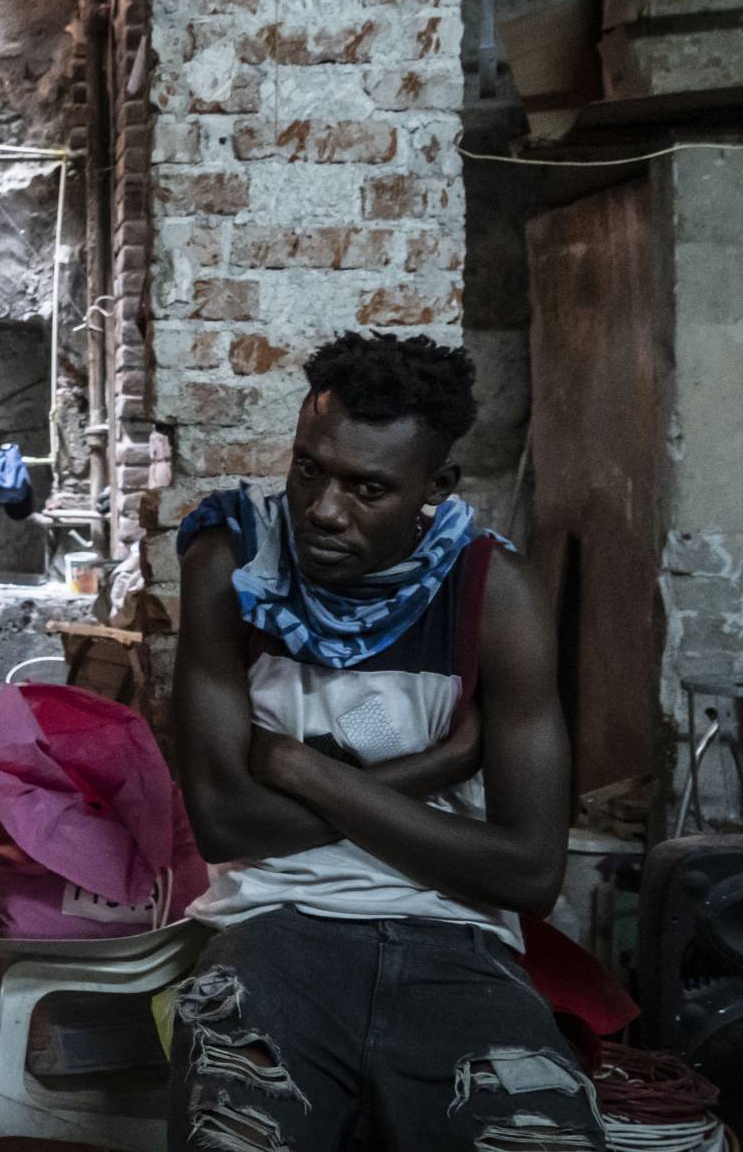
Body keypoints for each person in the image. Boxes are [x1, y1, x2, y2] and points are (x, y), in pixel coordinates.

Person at [166, 332, 605, 1152]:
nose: (325, 510)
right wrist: (432, 768)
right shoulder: (231, 559)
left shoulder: (494, 592)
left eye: (368, 487)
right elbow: (228, 822)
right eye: (309, 469)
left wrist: (298, 767)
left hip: (458, 940)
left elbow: (531, 870)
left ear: (435, 487)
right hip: (274, 930)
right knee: (237, 1133)